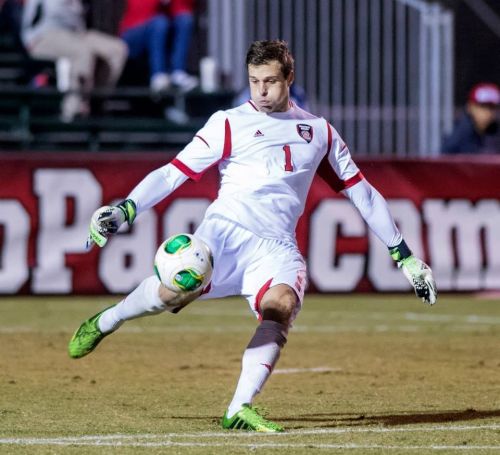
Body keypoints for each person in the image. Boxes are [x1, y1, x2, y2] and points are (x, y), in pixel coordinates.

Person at [68, 40, 437, 432]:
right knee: (169, 295)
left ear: (289, 77)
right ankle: (107, 320)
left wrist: (405, 256)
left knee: (282, 305)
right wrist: (125, 208)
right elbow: (173, 173)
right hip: (223, 235)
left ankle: (238, 407)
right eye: (254, 80)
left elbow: (363, 194)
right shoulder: (228, 122)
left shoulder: (319, 132)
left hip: (276, 247)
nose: (261, 91)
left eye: (270, 81)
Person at [21, 0, 128, 122]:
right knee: (82, 51)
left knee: (117, 49)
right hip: (42, 35)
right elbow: (54, 12)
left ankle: (97, 101)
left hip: (76, 34)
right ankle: (72, 111)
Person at [119, 0, 198, 93]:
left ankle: (178, 72)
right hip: (134, 32)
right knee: (159, 22)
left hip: (161, 29)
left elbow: (183, 8)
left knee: (184, 20)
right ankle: (158, 75)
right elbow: (139, 10)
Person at [441, 82, 500, 154]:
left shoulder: (496, 131)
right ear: (470, 107)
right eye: (483, 106)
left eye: (492, 108)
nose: (488, 112)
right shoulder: (460, 133)